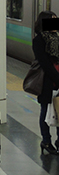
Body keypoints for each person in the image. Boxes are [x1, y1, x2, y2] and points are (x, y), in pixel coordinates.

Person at [32, 11, 59, 155]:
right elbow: (44, 63)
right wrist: (57, 78)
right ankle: (46, 141)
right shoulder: (39, 40)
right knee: (45, 112)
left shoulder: (58, 38)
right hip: (47, 82)